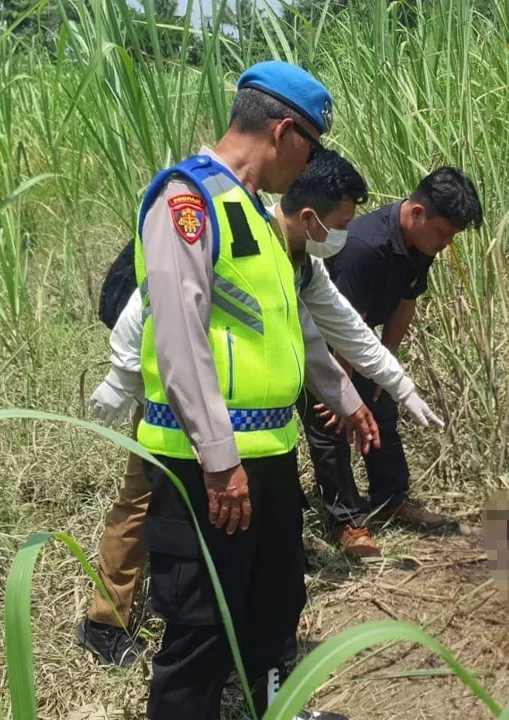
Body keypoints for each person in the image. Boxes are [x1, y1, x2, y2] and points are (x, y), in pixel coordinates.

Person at [77, 150, 445, 671]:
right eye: (340, 223)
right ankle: (105, 622)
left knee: (231, 524)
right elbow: (149, 308)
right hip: (177, 404)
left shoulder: (299, 262)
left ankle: (233, 631)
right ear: (311, 216)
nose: (344, 234)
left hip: (242, 419)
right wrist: (123, 381)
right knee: (143, 498)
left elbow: (330, 334)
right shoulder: (233, 233)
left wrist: (389, 388)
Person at [112, 60, 372, 720]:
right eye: (309, 148)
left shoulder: (252, 213)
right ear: (284, 132)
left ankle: (272, 711)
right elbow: (178, 339)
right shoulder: (187, 203)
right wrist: (220, 461)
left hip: (269, 458)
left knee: (274, 605)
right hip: (206, 469)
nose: (306, 165)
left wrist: (343, 395)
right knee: (201, 626)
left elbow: (290, 326)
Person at [299, 167, 483, 557]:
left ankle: (391, 499)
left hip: (360, 343)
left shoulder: (421, 244)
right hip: (317, 344)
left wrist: (387, 366)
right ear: (417, 213)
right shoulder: (364, 246)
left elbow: (405, 302)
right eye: (444, 233)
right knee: (331, 427)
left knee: (381, 410)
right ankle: (347, 520)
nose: (447, 243)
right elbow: (342, 325)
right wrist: (341, 392)